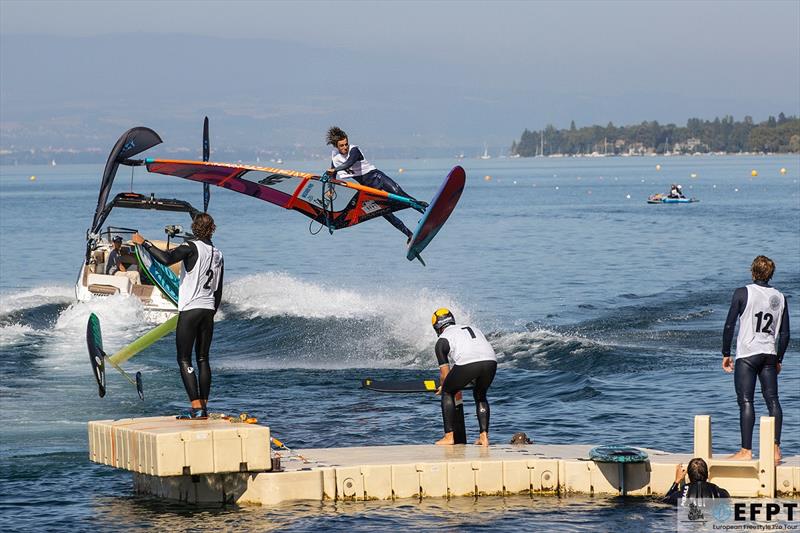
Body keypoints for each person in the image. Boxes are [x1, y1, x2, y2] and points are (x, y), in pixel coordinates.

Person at [132, 213, 224, 419]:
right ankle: (204, 407)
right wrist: (211, 311)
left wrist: (143, 242)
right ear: (213, 229)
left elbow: (166, 259)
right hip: (208, 309)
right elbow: (219, 290)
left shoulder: (190, 246)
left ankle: (196, 408)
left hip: (191, 309)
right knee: (203, 358)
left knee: (183, 358)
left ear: (194, 227)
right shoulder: (218, 253)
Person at [722, 255, 789, 461]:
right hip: (769, 354)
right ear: (771, 274)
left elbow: (729, 325)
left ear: (752, 272)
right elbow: (785, 334)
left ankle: (746, 451)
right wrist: (779, 358)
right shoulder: (780, 297)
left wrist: (726, 353)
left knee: (746, 401)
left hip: (748, 354)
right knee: (773, 400)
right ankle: (775, 449)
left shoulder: (743, 293)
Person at [325, 126, 427, 241]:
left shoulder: (354, 150)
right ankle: (410, 235)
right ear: (336, 146)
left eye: (346, 144)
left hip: (377, 178)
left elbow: (349, 163)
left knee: (402, 196)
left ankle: (427, 212)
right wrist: (330, 189)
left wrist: (335, 170)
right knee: (386, 213)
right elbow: (332, 177)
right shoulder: (335, 158)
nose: (345, 147)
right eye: (341, 145)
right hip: (369, 189)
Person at [432, 308, 497, 446]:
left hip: (469, 363)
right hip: (491, 361)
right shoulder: (472, 328)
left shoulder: (442, 341)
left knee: (448, 391)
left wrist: (444, 386)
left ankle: (449, 437)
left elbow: (445, 375)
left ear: (437, 328)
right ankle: (484, 437)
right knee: (480, 395)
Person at [663, 458, 730, 505]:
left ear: (688, 476)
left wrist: (677, 481)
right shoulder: (722, 494)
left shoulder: (679, 496)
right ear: (707, 475)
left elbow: (665, 501)